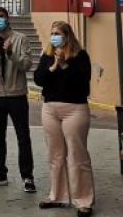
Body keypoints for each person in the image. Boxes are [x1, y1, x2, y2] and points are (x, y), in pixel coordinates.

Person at [34, 21, 94, 216]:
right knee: (55, 154)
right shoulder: (47, 54)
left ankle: (84, 200)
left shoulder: (80, 56)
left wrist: (65, 65)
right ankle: (57, 196)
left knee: (77, 155)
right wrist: (53, 66)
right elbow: (38, 79)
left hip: (74, 109)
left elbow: (82, 83)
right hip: (50, 108)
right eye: (52, 33)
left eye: (58, 33)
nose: (54, 37)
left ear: (68, 36)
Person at [0, 6, 36, 192]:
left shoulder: (21, 39)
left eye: (1, 16)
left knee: (23, 137)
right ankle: (0, 173)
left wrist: (11, 55)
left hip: (17, 95)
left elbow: (27, 65)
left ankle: (27, 176)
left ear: (7, 18)